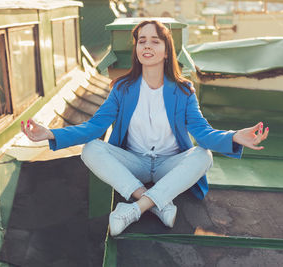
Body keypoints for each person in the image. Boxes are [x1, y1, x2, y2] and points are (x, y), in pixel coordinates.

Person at [21, 20, 269, 236]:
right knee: (91, 149)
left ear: (166, 51)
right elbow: (94, 127)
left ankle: (133, 210)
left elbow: (202, 133)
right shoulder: (122, 88)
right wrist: (51, 134)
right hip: (135, 164)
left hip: (168, 165)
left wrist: (234, 136)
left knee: (203, 156)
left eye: (155, 41)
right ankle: (156, 202)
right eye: (142, 41)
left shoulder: (184, 91)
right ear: (136, 49)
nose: (147, 46)